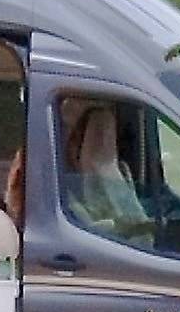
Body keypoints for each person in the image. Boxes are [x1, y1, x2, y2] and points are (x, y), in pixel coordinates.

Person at [62, 103, 151, 242]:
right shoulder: (61, 191)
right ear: (75, 146)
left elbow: (142, 233)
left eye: (108, 137)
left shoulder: (121, 172)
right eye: (96, 137)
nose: (103, 145)